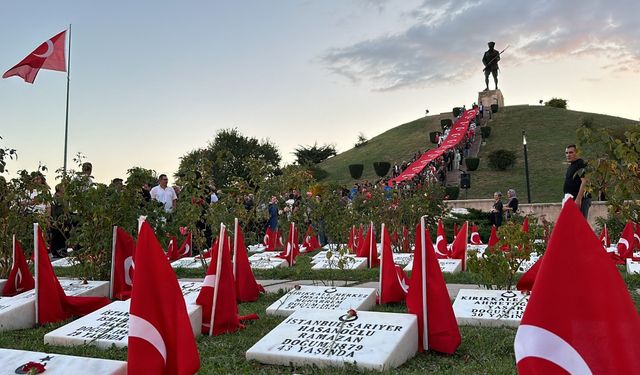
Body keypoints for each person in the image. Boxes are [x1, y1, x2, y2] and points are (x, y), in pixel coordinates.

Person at [563, 144, 590, 218]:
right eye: (567, 153)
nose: (568, 155)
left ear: (577, 153)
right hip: (571, 199)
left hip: (581, 199)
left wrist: (578, 199)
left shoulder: (580, 164)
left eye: (571, 152)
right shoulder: (572, 165)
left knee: (580, 224)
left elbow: (584, 181)